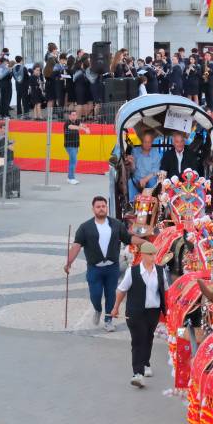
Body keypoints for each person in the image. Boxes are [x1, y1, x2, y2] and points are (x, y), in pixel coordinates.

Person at [65, 196, 131, 332]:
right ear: (93, 209)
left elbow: (128, 238)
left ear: (106, 207)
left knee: (110, 294)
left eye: (103, 206)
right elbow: (76, 246)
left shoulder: (117, 224)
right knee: (95, 295)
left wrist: (142, 241)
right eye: (98, 207)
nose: (101, 209)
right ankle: (97, 309)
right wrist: (68, 262)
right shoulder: (85, 227)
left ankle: (108, 319)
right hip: (94, 268)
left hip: (112, 267)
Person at [111, 241, 166, 389]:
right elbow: (121, 290)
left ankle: (146, 362)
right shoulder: (132, 271)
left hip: (153, 311)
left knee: (148, 338)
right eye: (150, 254)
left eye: (154, 254)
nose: (153, 257)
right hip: (135, 312)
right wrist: (115, 307)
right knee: (138, 340)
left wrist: (169, 309)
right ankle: (138, 374)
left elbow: (165, 290)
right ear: (142, 255)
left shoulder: (160, 271)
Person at [127, 131, 161, 203]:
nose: (147, 144)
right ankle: (133, 203)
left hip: (150, 178)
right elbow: (133, 170)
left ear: (152, 142)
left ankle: (152, 203)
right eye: (145, 142)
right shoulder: (135, 151)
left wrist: (145, 179)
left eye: (149, 142)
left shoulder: (155, 153)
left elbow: (156, 172)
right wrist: (132, 163)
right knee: (130, 181)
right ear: (141, 142)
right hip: (137, 178)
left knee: (153, 182)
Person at [64, 109, 88, 185]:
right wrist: (84, 129)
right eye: (73, 115)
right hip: (70, 146)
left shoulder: (77, 122)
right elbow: (73, 127)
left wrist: (86, 127)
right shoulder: (67, 123)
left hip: (76, 145)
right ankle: (71, 178)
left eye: (75, 115)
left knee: (72, 161)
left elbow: (81, 125)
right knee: (73, 161)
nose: (74, 116)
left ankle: (69, 178)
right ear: (69, 116)